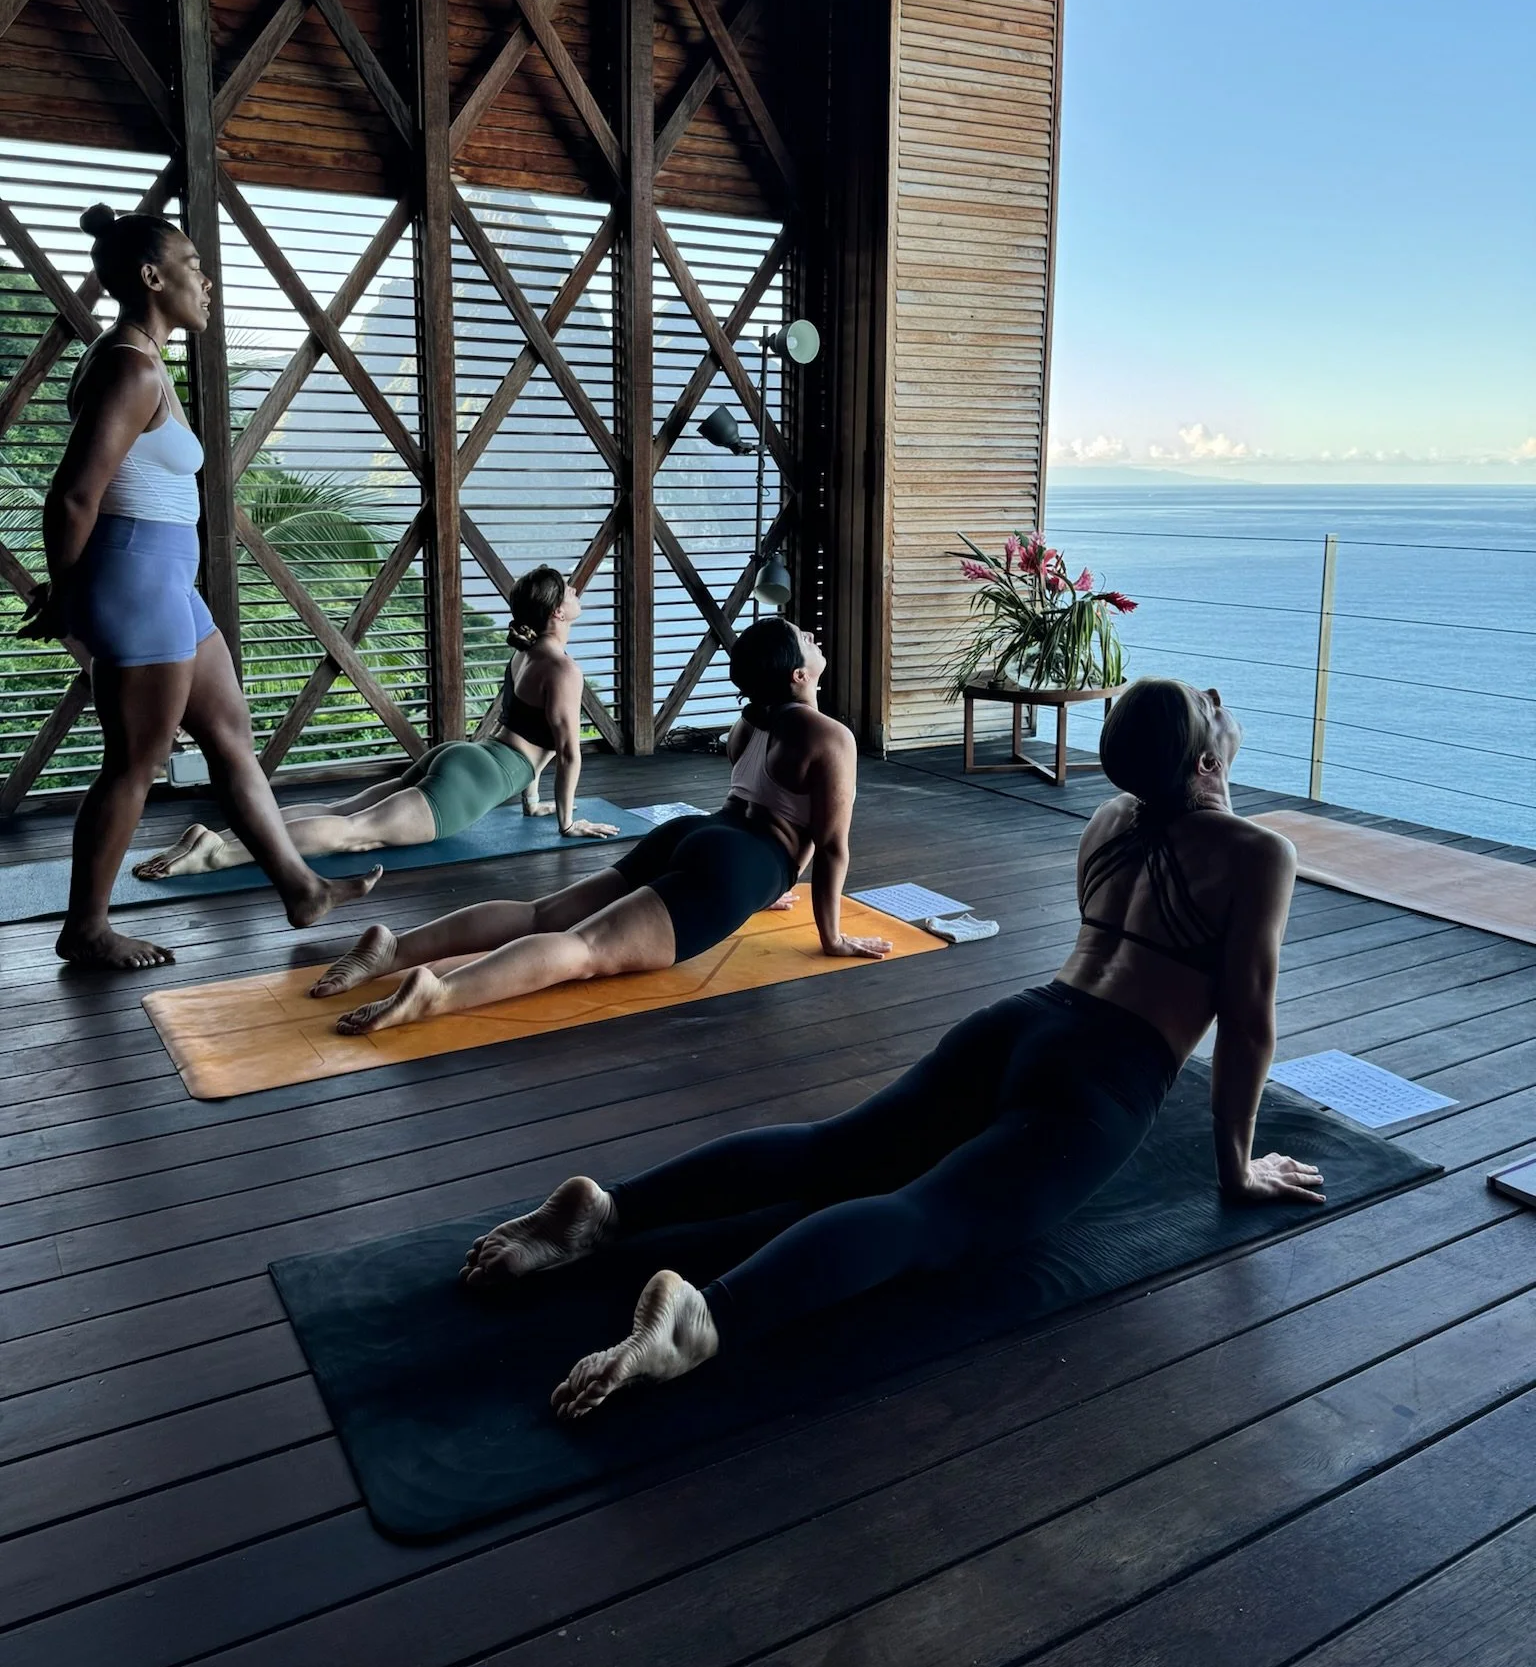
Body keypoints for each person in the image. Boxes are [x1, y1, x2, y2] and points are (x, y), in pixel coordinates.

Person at [458, 677, 1325, 1422]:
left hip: (1026, 1018)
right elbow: (1246, 1021)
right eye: (1211, 712)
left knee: (835, 1148)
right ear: (1207, 765)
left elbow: (1149, 879)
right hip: (1107, 1071)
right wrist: (1238, 1169)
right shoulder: (1257, 853)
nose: (1221, 704)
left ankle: (612, 1211)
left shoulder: (1108, 819)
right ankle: (704, 1316)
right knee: (930, 1217)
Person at [19, 205, 379, 970]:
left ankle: (300, 887)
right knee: (134, 761)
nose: (207, 281)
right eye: (192, 265)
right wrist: (66, 596)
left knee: (229, 734)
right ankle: (85, 927)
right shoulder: (129, 365)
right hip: (134, 578)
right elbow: (75, 495)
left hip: (166, 581)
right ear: (152, 277)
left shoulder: (138, 356)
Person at [306, 615, 892, 1034]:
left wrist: (764, 887)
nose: (814, 639)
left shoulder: (748, 723)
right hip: (738, 862)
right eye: (804, 640)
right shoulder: (830, 736)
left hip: (695, 835)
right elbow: (831, 847)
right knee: (584, 949)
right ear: (796, 674)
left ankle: (393, 950)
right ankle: (438, 994)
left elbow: (760, 799)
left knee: (542, 914)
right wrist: (831, 938)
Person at [132, 564, 618, 879]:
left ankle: (217, 835)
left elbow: (522, 726)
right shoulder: (564, 669)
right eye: (572, 590)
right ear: (559, 611)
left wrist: (531, 803)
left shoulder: (527, 655)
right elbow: (566, 752)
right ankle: (219, 854)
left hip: (464, 755)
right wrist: (567, 821)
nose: (578, 592)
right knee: (357, 832)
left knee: (342, 807)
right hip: (484, 775)